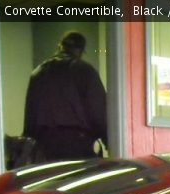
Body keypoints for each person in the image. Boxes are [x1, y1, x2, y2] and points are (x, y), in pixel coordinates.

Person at [23, 31, 107, 161]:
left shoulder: (37, 72)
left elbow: (30, 118)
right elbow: (99, 111)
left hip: (44, 148)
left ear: (59, 46)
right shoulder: (85, 71)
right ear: (80, 51)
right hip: (79, 145)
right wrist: (108, 141)